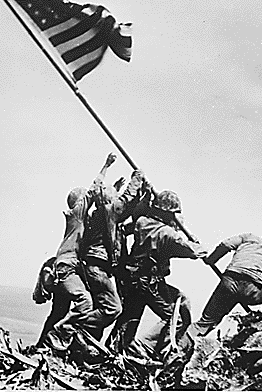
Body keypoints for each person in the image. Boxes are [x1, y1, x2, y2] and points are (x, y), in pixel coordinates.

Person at [110, 190, 208, 361]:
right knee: (178, 314)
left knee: (129, 317)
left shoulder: (142, 222)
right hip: (150, 282)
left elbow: (127, 228)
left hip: (132, 278)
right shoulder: (168, 234)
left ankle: (115, 350)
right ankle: (145, 348)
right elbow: (194, 252)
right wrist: (195, 243)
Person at [45, 153, 117, 350]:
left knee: (61, 309)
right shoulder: (77, 214)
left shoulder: (81, 221)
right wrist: (106, 166)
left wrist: (114, 190)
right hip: (67, 267)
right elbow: (94, 191)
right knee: (84, 301)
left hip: (70, 267)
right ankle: (61, 334)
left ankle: (49, 344)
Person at [79, 169, 146, 340]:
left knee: (101, 309)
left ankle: (86, 346)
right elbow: (124, 202)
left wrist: (144, 197)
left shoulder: (104, 218)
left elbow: (128, 213)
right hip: (98, 269)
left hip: (97, 268)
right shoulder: (108, 212)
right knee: (112, 308)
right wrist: (137, 179)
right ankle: (73, 326)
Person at [187, 229, 262, 339]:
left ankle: (180, 343)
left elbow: (225, 244)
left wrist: (211, 260)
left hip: (228, 283)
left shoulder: (249, 238)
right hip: (250, 291)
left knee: (205, 322)